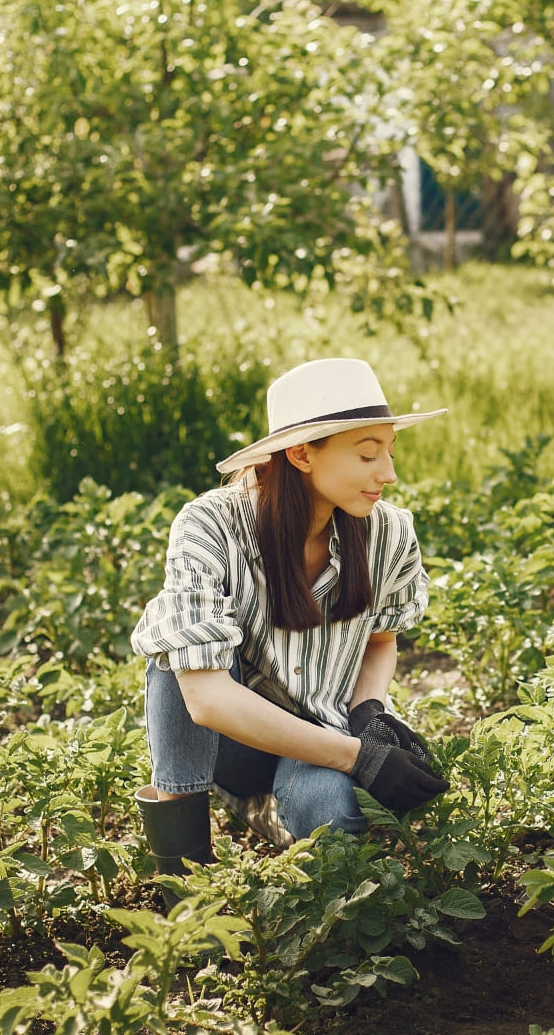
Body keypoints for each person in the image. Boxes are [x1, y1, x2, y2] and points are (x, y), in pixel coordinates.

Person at [129, 357, 450, 877]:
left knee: (331, 813)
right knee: (174, 658)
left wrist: (367, 713)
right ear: (301, 454)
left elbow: (380, 639)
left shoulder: (389, 533)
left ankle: (274, 815)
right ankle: (181, 875)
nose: (388, 474)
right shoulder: (212, 526)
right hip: (232, 745)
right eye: (368, 455)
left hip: (323, 730)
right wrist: (356, 758)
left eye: (389, 452)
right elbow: (206, 700)